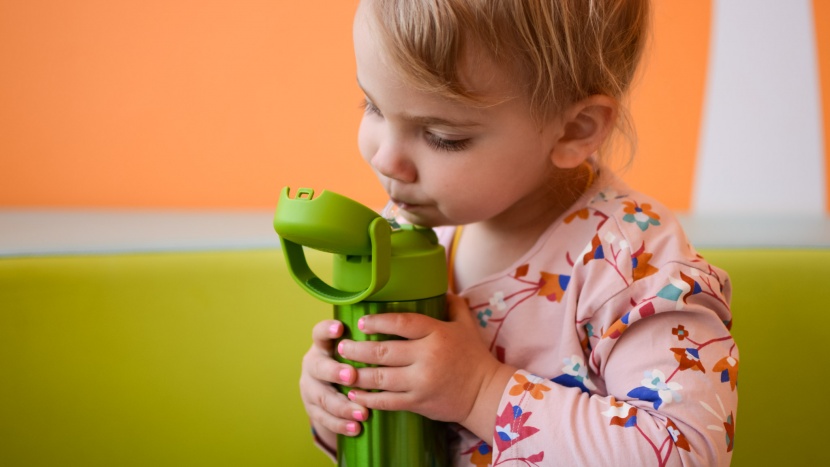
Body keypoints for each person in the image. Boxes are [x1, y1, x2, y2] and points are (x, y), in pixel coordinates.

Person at [300, 0, 738, 465]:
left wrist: (479, 391)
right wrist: (342, 403)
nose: (385, 159)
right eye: (373, 105)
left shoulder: (631, 261)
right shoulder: (410, 226)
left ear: (574, 129)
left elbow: (682, 452)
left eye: (443, 136)